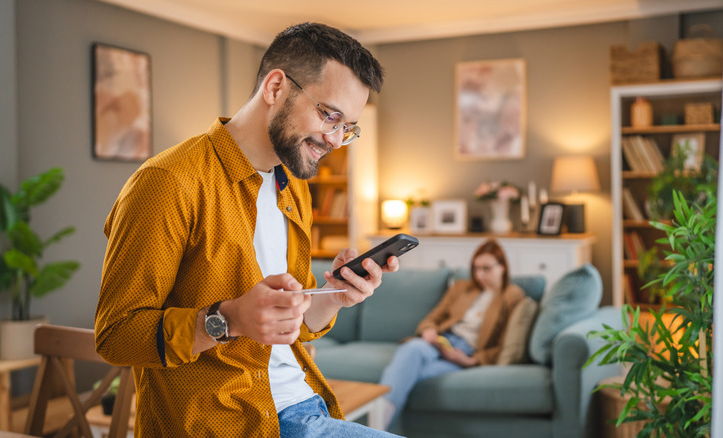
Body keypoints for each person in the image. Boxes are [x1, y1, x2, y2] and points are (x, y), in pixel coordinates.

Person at [94, 22, 402, 437]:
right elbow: (115, 336)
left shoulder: (293, 186)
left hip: (305, 405)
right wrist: (227, 320)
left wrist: (335, 297)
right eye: (329, 115)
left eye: (347, 127)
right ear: (275, 87)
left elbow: (293, 320)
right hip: (224, 424)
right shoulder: (168, 182)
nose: (334, 139)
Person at [378, 239, 525, 429]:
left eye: (486, 268)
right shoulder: (462, 288)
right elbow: (433, 318)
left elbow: (505, 345)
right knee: (413, 349)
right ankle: (376, 430)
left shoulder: (512, 296)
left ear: (502, 267)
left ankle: (375, 426)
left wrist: (471, 361)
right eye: (476, 268)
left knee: (408, 372)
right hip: (440, 340)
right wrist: (429, 331)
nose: (479, 275)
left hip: (463, 353)